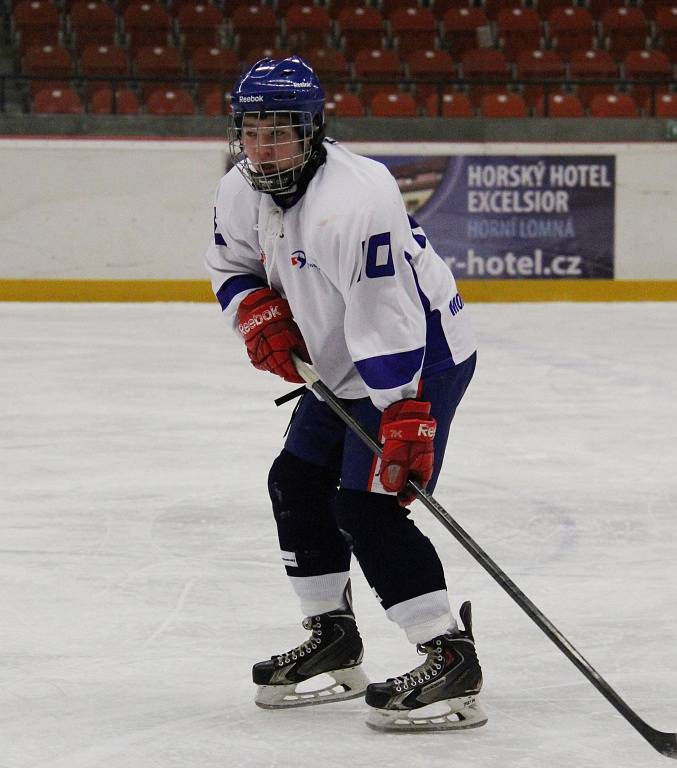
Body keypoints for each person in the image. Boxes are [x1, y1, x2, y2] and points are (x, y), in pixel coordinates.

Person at [205, 55, 485, 732]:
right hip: (340, 361)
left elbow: (387, 313)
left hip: (416, 361)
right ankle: (332, 633)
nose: (264, 147)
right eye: (251, 130)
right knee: (296, 482)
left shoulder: (356, 197)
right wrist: (255, 311)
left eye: (282, 131)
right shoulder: (239, 190)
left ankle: (447, 654)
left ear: (315, 130)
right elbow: (232, 265)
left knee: (368, 506)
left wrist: (404, 418)